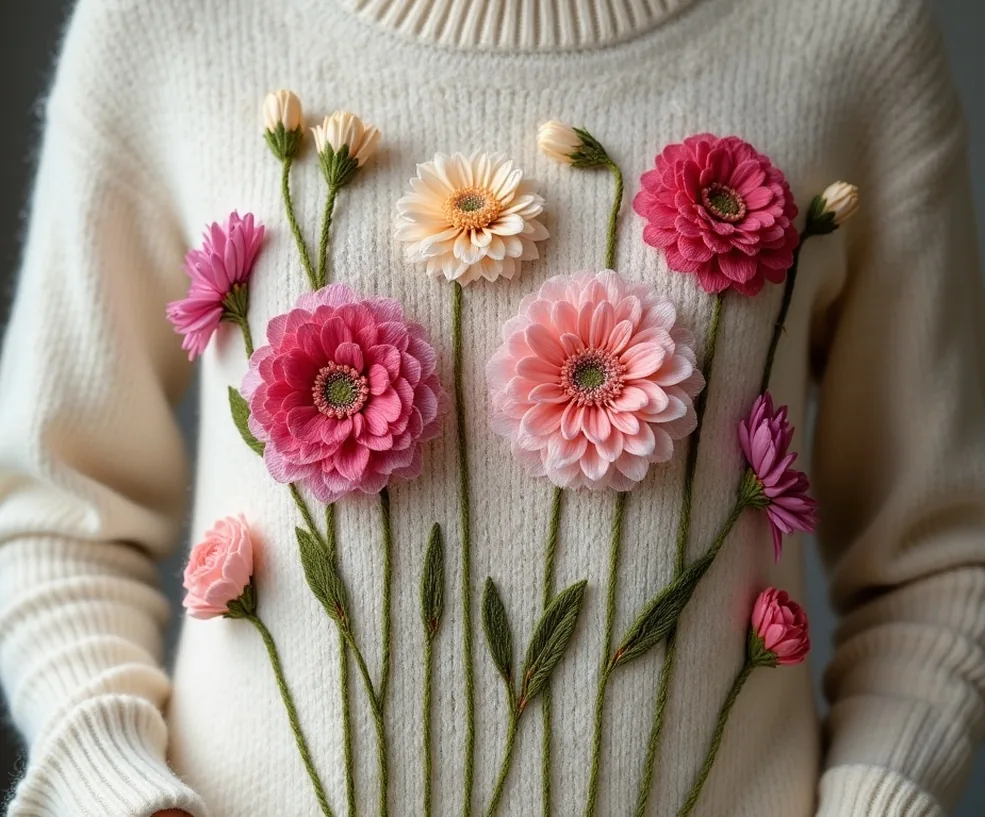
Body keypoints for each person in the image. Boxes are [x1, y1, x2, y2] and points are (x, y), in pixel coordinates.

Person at [1, 0, 984, 815]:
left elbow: (941, 554)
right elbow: (49, 508)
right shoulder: (168, 23)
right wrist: (114, 792)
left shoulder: (847, 34)